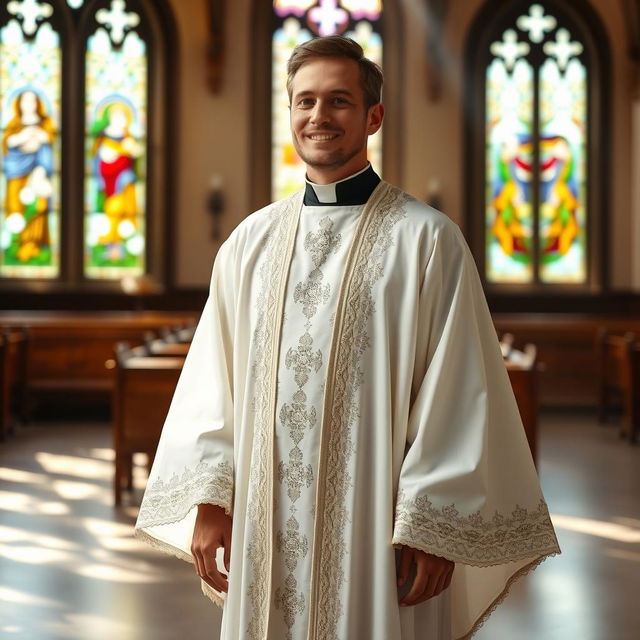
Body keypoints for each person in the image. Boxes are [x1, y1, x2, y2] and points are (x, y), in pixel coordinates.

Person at [135, 36, 560, 640]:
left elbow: (458, 393)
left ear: (372, 116)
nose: (319, 116)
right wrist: (211, 502)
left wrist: (431, 524)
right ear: (289, 113)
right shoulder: (248, 245)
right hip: (265, 521)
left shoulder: (427, 241)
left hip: (379, 526)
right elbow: (213, 383)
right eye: (304, 101)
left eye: (338, 100)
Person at [2, 89, 55, 264]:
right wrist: (21, 137)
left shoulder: (45, 124)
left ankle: (33, 246)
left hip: (37, 173)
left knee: (37, 209)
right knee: (16, 209)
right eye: (25, 101)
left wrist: (41, 171)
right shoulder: (14, 124)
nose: (29, 105)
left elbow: (49, 148)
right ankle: (17, 245)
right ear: (19, 104)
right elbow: (7, 144)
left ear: (38, 104)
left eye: (32, 101)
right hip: (16, 176)